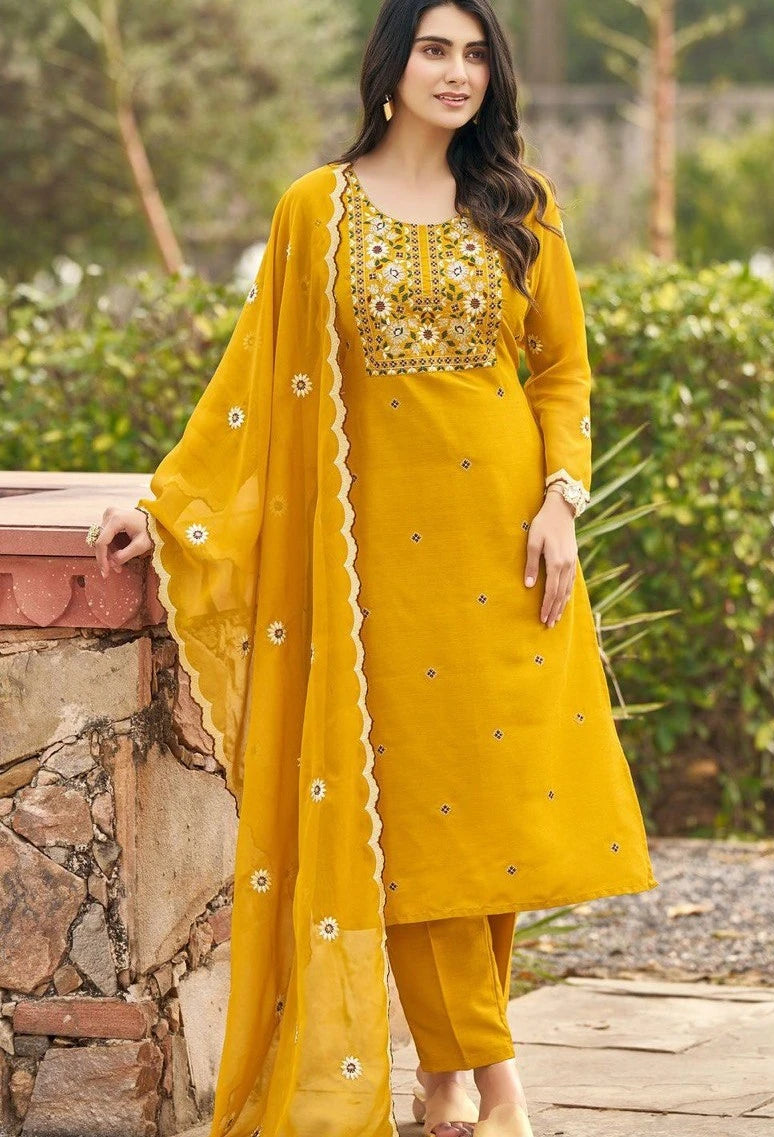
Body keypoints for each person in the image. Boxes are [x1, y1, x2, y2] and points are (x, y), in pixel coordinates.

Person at [89, 1, 659, 1134]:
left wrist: (562, 500)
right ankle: (500, 1086)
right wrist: (171, 504)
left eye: (476, 54)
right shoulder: (320, 208)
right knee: (418, 818)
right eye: (435, 50)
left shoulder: (520, 207)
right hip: (375, 571)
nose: (457, 72)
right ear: (389, 68)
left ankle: (445, 1079)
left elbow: (562, 375)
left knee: (485, 827)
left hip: (508, 550)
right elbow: (253, 379)